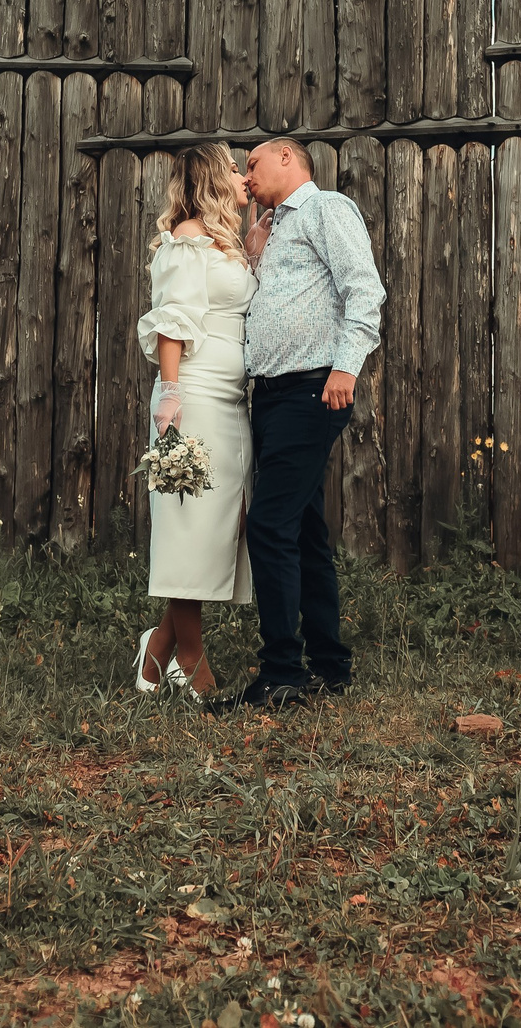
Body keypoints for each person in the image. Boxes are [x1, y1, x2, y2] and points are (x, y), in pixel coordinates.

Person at [223, 136, 384, 711]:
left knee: (268, 525)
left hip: (311, 386)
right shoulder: (268, 230)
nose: (248, 174)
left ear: (288, 157)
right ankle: (330, 666)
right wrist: (252, 240)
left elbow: (364, 288)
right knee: (305, 531)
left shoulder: (325, 209)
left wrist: (345, 367)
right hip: (268, 395)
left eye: (254, 163)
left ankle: (281, 674)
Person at [132, 143, 258, 699]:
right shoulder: (185, 239)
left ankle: (157, 644)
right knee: (190, 525)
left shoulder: (224, 242)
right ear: (212, 175)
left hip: (232, 402)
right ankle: (190, 659)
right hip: (196, 396)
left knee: (215, 530)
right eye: (234, 167)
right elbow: (174, 323)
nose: (243, 174)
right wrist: (172, 396)